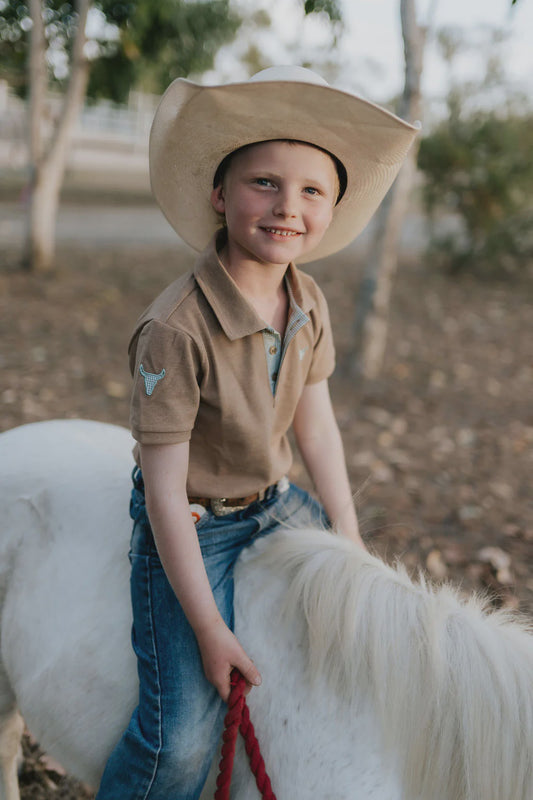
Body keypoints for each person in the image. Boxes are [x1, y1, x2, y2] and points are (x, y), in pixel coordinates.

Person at [96, 65, 418, 800]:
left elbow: (315, 420)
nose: (287, 207)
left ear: (333, 209)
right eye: (262, 183)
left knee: (370, 612)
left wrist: (346, 528)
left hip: (274, 501)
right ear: (218, 194)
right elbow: (166, 491)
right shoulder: (175, 329)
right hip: (194, 523)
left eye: (312, 190)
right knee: (177, 742)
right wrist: (209, 630)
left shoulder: (306, 298)